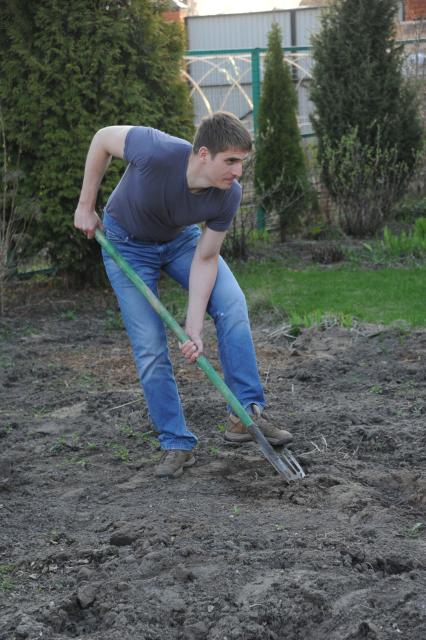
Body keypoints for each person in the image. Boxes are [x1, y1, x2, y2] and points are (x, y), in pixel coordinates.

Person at [74, 111, 292, 478]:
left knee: (232, 303)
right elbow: (101, 138)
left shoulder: (228, 195)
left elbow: (205, 259)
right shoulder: (155, 150)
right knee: (149, 346)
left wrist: (194, 327)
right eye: (232, 161)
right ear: (204, 154)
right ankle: (177, 442)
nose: (239, 172)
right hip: (126, 244)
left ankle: (245, 414)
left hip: (179, 241)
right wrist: (85, 204)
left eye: (242, 162)